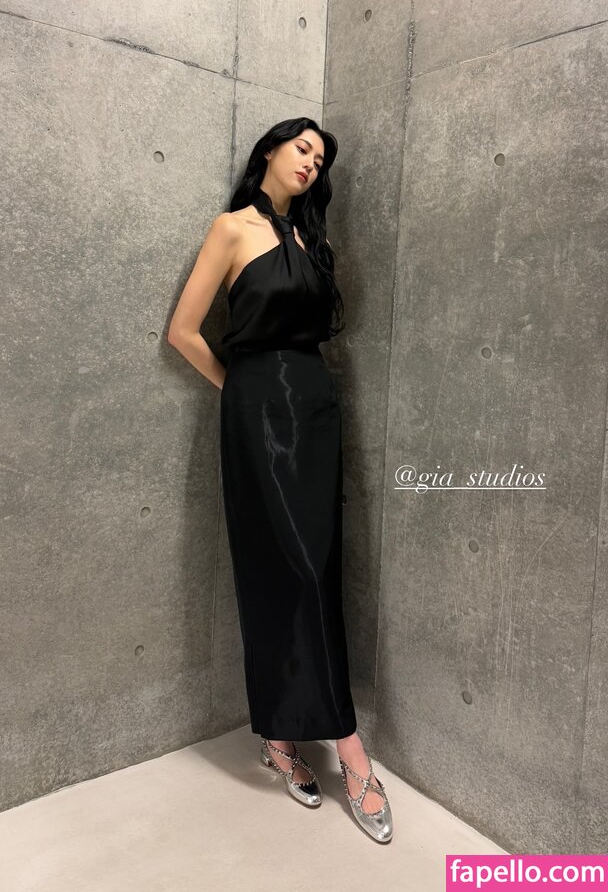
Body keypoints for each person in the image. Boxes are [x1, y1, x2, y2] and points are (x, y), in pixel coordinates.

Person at [167, 117, 393, 844]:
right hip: (258, 413)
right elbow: (183, 331)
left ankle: (282, 734)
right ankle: (348, 748)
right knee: (281, 567)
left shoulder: (311, 240)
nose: (310, 163)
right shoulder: (231, 228)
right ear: (269, 149)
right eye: (302, 148)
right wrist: (239, 391)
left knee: (317, 567)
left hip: (317, 411)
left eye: (320, 159)